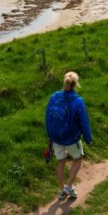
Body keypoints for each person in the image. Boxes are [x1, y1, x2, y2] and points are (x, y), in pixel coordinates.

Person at [45, 71, 92, 201]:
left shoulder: (54, 96)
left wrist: (50, 134)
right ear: (76, 84)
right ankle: (69, 186)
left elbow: (48, 116)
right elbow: (84, 122)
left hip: (56, 137)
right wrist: (88, 139)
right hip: (71, 138)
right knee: (78, 158)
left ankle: (61, 191)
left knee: (61, 161)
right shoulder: (78, 100)